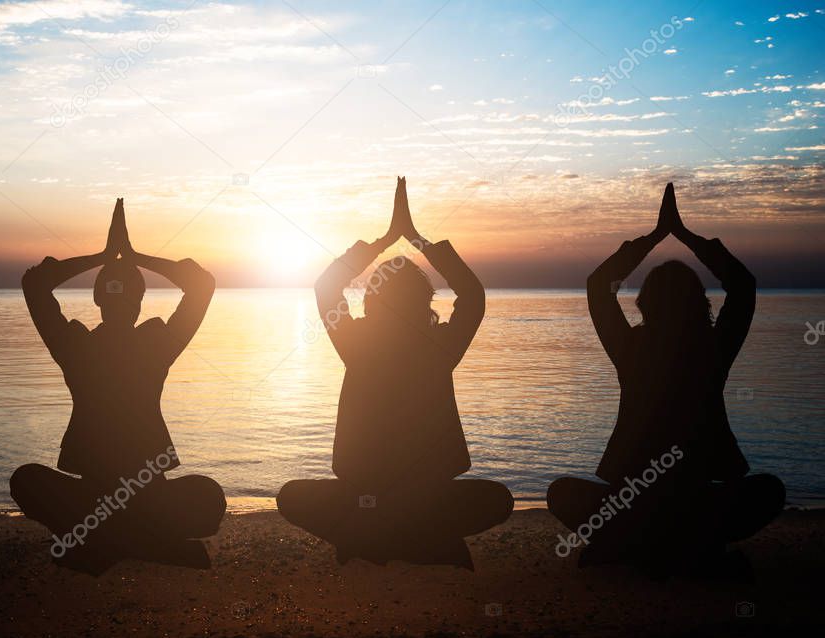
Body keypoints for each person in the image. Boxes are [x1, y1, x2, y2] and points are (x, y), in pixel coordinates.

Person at [547, 183, 785, 573]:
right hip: (695, 507)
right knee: (768, 491)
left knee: (563, 494)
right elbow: (742, 286)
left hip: (638, 505)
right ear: (701, 303)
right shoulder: (713, 349)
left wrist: (654, 237)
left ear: (644, 305)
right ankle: (691, 549)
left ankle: (634, 545)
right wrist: (686, 237)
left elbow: (598, 287)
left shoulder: (631, 349)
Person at [276, 177, 513, 567]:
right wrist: (414, 239)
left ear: (371, 301)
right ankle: (420, 538)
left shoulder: (358, 344)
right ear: (425, 301)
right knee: (495, 500)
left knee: (293, 497)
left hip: (376, 500)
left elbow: (326, 287)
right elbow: (472, 295)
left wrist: (385, 241)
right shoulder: (435, 347)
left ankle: (372, 537)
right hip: (418, 500)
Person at [10, 198, 225, 573]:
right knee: (207, 498)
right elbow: (202, 284)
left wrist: (106, 256)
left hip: (101, 500)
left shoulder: (76, 347)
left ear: (97, 299)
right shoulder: (155, 345)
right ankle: (148, 543)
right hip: (135, 496)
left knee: (27, 482)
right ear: (140, 301)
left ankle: (102, 541)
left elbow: (34, 282)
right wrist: (132, 256)